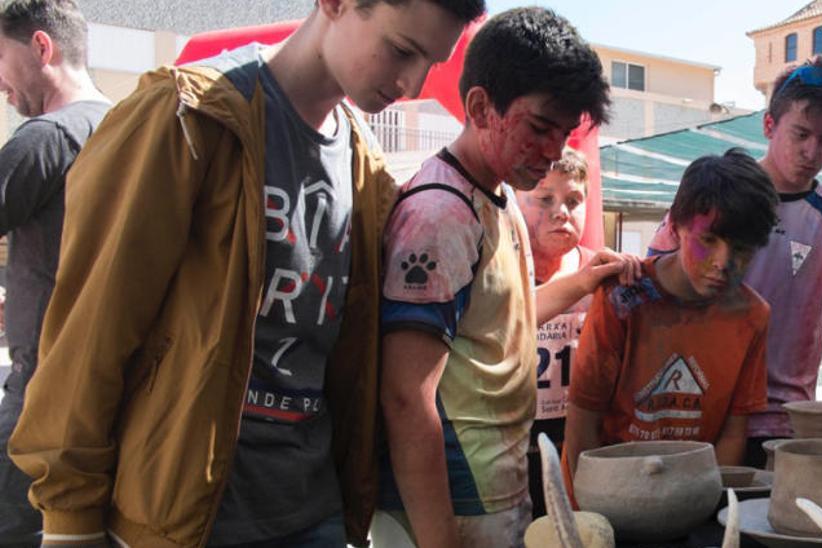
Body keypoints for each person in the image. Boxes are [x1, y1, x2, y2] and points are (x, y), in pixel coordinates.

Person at [6, 1, 485, 545]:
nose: (413, 81)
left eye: (432, 62)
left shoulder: (366, 168)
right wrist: (70, 521)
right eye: (402, 49)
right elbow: (90, 332)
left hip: (315, 509)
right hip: (183, 516)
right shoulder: (188, 116)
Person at [374, 8, 623, 547]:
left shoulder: (499, 195)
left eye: (564, 132)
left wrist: (584, 282)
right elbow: (404, 397)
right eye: (539, 127)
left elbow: (500, 319)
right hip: (452, 506)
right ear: (481, 107)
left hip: (498, 491)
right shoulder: (439, 216)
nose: (554, 150)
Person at [647, 56, 822, 469]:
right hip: (698, 410)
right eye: (801, 134)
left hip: (784, 422)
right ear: (770, 126)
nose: (812, 151)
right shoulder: (713, 195)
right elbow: (655, 282)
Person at [563, 149, 776, 479]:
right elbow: (583, 422)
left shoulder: (751, 316)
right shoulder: (622, 296)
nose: (723, 261)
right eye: (708, 239)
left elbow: (734, 433)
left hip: (694, 495)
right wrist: (588, 514)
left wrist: (708, 506)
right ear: (676, 226)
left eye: (742, 249)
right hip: (608, 490)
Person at [0, 2, 109, 544]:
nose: (0, 84)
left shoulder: (45, 136)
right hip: (111, 397)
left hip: (39, 404)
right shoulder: (125, 127)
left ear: (42, 48)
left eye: (0, 58)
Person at [514, 147, 595, 518]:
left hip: (575, 446)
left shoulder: (598, 272)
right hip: (512, 446)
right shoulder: (500, 268)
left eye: (574, 200)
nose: (561, 212)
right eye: (544, 198)